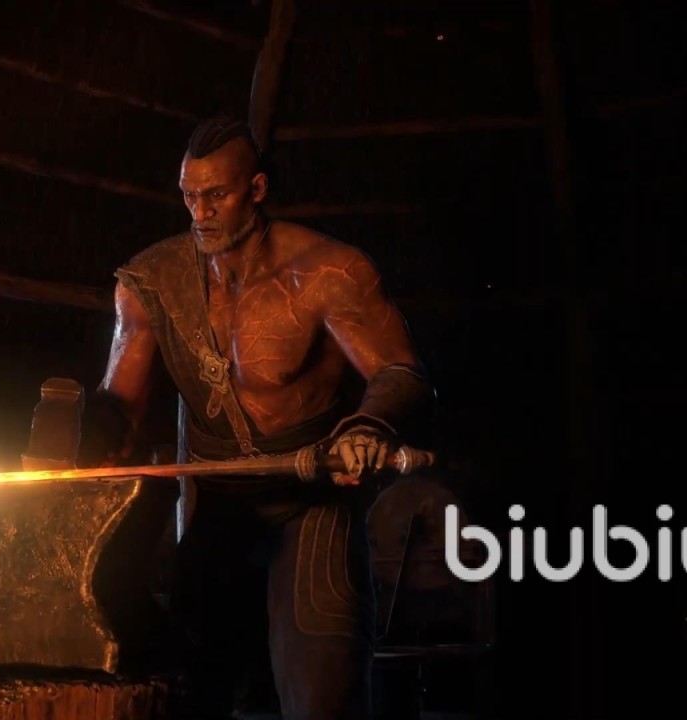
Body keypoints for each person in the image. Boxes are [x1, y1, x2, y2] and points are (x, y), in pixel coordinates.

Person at [81, 116, 435, 719]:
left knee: (325, 699)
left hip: (309, 504)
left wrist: (367, 426)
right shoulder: (151, 284)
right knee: (185, 695)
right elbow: (120, 413)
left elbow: (402, 373)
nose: (200, 213)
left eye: (216, 195)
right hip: (219, 507)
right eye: (189, 196)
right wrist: (82, 431)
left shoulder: (329, 272)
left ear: (258, 189)